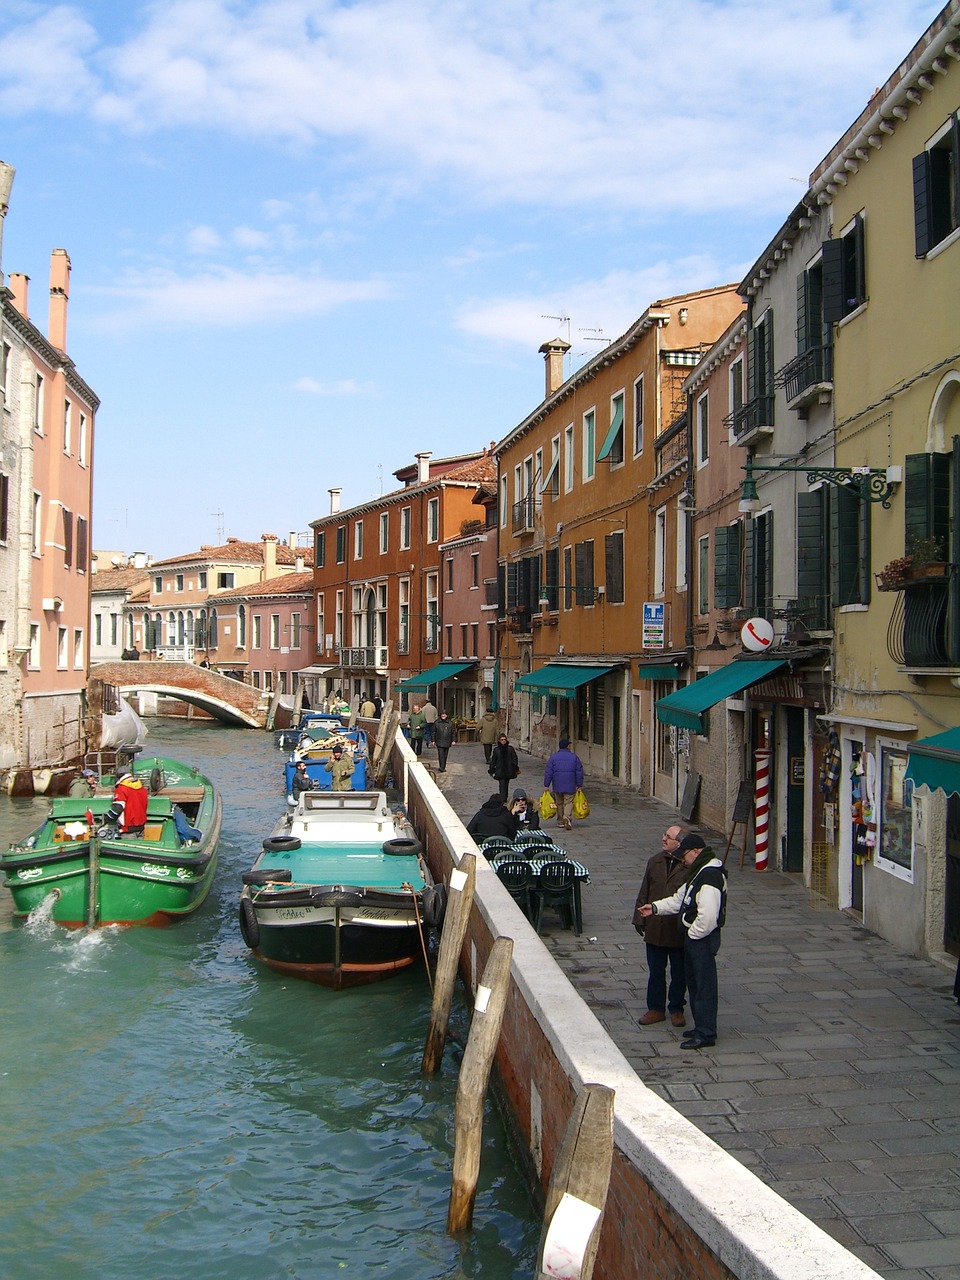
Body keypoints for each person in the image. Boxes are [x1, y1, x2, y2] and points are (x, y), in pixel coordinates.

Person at [638, 833, 727, 1051]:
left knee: (704, 987)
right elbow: (680, 899)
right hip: (696, 940)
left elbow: (707, 918)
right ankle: (700, 1028)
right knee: (695, 985)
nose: (682, 859)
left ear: (696, 852)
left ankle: (706, 1033)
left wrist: (692, 935)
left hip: (702, 942)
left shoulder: (709, 877)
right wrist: (656, 907)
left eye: (684, 855)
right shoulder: (698, 872)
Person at [633, 823, 689, 1028]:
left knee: (679, 972)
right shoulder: (655, 861)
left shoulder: (688, 866)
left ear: (679, 843)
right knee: (656, 971)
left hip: (677, 928)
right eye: (664, 834)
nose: (663, 839)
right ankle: (655, 1008)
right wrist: (639, 919)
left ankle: (676, 1008)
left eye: (668, 837)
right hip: (655, 926)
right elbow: (644, 890)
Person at [543, 738, 584, 832]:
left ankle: (560, 821)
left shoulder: (553, 758)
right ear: (567, 746)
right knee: (569, 801)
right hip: (570, 783)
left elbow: (548, 772)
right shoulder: (574, 757)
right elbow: (579, 772)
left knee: (559, 803)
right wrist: (579, 784)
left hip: (557, 784)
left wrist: (546, 785)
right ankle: (567, 816)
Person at [106, 771, 149, 836]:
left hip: (127, 829)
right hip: (141, 827)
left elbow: (118, 808)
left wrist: (107, 818)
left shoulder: (121, 789)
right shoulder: (142, 789)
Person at [488, 733, 520, 802]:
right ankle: (502, 799)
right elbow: (494, 760)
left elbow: (514, 758)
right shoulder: (497, 750)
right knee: (502, 785)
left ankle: (505, 797)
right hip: (500, 770)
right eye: (502, 740)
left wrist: (514, 767)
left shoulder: (510, 749)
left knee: (506, 784)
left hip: (508, 770)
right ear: (499, 741)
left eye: (504, 739)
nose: (503, 741)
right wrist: (491, 769)